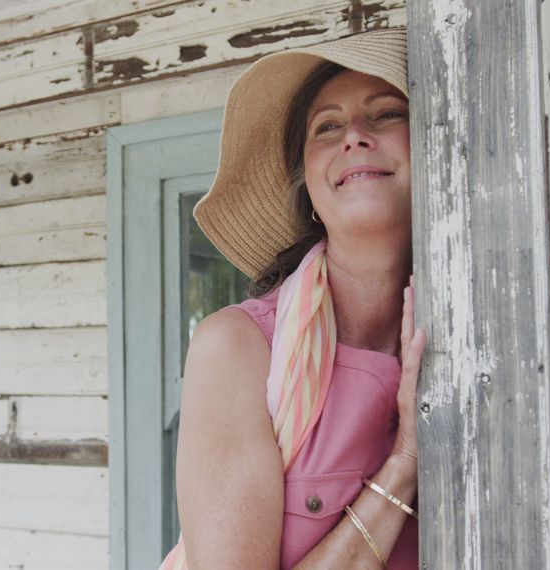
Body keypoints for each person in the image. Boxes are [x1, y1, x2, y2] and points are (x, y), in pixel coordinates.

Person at [159, 28, 424, 569]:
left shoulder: (479, 332)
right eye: (327, 126)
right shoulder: (238, 348)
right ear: (308, 187)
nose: (353, 134)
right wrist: (405, 463)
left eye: (387, 113)